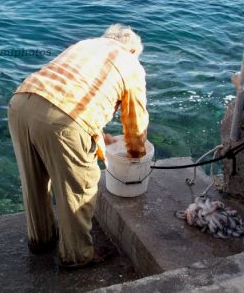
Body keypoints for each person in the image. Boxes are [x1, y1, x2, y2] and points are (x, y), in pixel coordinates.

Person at [8, 24, 149, 268]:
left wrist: (100, 138)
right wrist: (136, 155)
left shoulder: (84, 45)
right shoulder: (130, 64)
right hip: (62, 121)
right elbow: (135, 122)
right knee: (79, 188)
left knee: (34, 182)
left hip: (20, 103)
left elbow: (71, 91)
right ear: (134, 50)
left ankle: (41, 241)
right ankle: (77, 255)